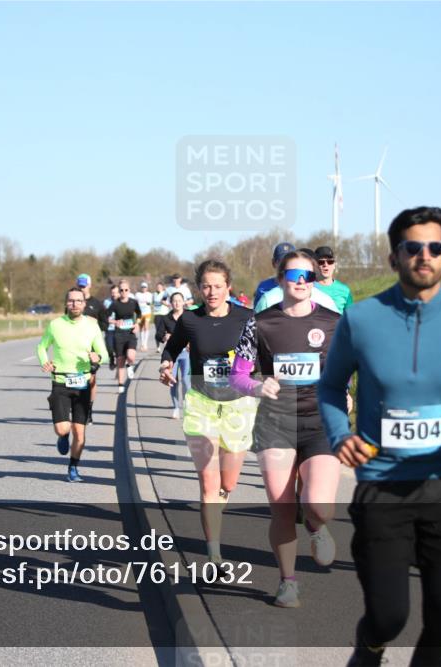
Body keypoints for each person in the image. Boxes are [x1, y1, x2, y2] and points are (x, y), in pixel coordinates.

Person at [319, 206, 441, 667]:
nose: (425, 256)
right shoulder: (361, 320)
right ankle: (368, 649)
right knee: (388, 616)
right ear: (394, 257)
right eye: (413, 247)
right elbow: (329, 386)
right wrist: (339, 434)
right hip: (383, 487)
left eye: (436, 247)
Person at [229, 249, 342, 608]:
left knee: (319, 506)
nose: (302, 282)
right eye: (294, 276)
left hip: (320, 422)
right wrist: (258, 386)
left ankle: (316, 525)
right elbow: (238, 376)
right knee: (281, 507)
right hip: (275, 423)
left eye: (308, 275)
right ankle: (287, 581)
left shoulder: (334, 322)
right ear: (280, 281)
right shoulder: (259, 323)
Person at [160, 259, 257, 564]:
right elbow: (172, 347)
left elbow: (265, 351)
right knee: (208, 481)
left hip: (237, 407)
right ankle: (214, 557)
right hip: (201, 405)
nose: (212, 292)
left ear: (228, 287)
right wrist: (165, 364)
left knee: (227, 484)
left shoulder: (247, 317)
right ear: (198, 288)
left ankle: (220, 499)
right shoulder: (190, 320)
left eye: (217, 286)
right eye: (206, 286)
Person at [37, 287, 109, 483]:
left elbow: (104, 353)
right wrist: (45, 361)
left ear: (84, 304)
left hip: (83, 383)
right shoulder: (55, 325)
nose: (75, 304)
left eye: (78, 301)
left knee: (80, 432)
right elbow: (42, 346)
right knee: (62, 429)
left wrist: (98, 357)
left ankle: (73, 468)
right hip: (60, 381)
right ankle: (62, 436)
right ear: (66, 303)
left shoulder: (92, 326)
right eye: (71, 301)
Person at [78, 273, 106, 420]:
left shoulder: (96, 303)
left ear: (89, 285)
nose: (82, 288)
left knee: (91, 379)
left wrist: (93, 321)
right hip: (75, 347)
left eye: (84, 285)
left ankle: (89, 408)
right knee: (75, 377)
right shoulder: (73, 303)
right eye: (79, 286)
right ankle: (77, 407)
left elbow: (105, 324)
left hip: (92, 347)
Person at [158, 291, 190, 418]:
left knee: (187, 382)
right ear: (171, 303)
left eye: (179, 300)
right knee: (173, 381)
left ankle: (187, 406)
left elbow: (196, 332)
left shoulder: (190, 316)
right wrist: (165, 337)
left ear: (183, 302)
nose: (177, 303)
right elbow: (159, 334)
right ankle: (176, 407)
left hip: (187, 353)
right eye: (174, 301)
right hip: (172, 355)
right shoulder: (166, 318)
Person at [106, 279, 140, 394]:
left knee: (131, 356)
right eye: (121, 290)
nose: (124, 292)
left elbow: (139, 314)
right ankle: (120, 386)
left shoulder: (133, 302)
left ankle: (130, 365)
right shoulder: (115, 304)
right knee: (120, 360)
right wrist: (115, 322)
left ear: (129, 290)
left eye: (126, 290)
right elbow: (106, 317)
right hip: (119, 334)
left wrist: (136, 324)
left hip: (130, 333)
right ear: (119, 291)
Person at [312, 245, 354, 313]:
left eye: (330, 262)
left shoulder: (345, 290)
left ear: (334, 265)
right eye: (321, 262)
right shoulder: (308, 288)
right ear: (314, 265)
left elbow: (350, 317)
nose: (325, 265)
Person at [253, 242, 295, 306]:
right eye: (282, 262)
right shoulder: (263, 287)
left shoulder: (303, 287)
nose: (286, 265)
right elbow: (257, 313)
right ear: (273, 263)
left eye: (290, 261)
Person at [103, 284, 120, 370]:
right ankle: (111, 359)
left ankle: (118, 362)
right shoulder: (106, 302)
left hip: (119, 330)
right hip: (109, 328)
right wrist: (113, 321)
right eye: (113, 293)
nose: (114, 294)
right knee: (109, 348)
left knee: (118, 348)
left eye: (116, 292)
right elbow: (104, 317)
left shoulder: (122, 302)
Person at [135, 281, 154, 351]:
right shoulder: (137, 294)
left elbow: (149, 303)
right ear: (141, 288)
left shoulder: (149, 294)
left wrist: (145, 303)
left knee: (146, 326)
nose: (144, 288)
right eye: (142, 287)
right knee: (141, 328)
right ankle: (142, 344)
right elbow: (135, 303)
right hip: (140, 313)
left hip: (147, 312)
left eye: (145, 287)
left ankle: (145, 344)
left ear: (147, 288)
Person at [152, 281, 171, 352]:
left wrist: (164, 303)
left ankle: (166, 345)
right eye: (157, 287)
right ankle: (158, 347)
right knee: (157, 331)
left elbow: (167, 303)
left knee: (165, 331)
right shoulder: (154, 294)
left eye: (160, 287)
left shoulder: (165, 293)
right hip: (157, 314)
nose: (158, 288)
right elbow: (152, 303)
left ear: (162, 287)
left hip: (165, 313)